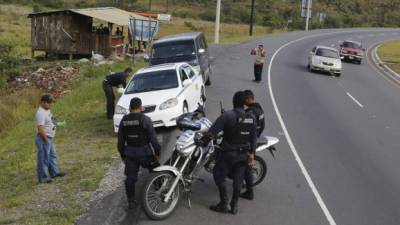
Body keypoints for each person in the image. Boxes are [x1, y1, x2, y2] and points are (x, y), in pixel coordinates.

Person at [205, 91, 257, 215]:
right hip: (244, 155)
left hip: (228, 154)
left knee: (218, 175)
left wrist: (201, 142)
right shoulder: (251, 118)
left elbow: (211, 133)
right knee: (238, 180)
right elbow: (254, 138)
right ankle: (234, 206)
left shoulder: (228, 116)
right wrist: (252, 154)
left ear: (233, 101)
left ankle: (224, 203)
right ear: (245, 103)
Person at [117, 97, 161, 209]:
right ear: (141, 107)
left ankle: (131, 201)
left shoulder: (124, 120)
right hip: (145, 153)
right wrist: (157, 152)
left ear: (130, 108)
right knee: (156, 169)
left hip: (130, 154)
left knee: (130, 178)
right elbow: (153, 139)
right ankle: (160, 190)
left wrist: (123, 155)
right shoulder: (145, 119)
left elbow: (121, 141)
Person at [240, 89, 265, 200]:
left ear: (249, 99)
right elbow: (263, 126)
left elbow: (243, 125)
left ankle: (249, 192)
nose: (243, 102)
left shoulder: (250, 112)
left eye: (244, 100)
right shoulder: (260, 110)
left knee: (245, 166)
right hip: (254, 140)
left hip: (247, 142)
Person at [35, 94, 66, 183]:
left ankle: (54, 172)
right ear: (43, 102)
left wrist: (58, 123)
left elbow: (51, 119)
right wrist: (45, 140)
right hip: (43, 138)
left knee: (52, 156)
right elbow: (40, 130)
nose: (51, 104)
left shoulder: (47, 110)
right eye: (49, 103)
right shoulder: (40, 113)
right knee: (44, 158)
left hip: (49, 138)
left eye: (52, 103)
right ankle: (43, 178)